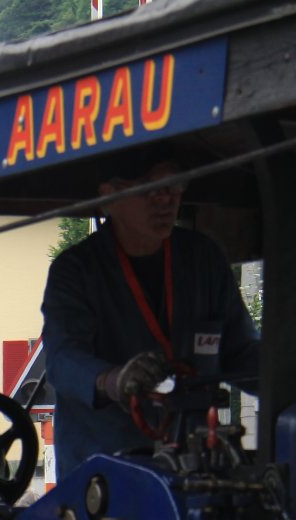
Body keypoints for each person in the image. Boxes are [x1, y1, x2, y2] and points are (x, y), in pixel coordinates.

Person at [42, 149, 259, 469]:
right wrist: (113, 380)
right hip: (105, 469)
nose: (166, 199)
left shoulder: (204, 259)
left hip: (192, 461)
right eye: (149, 187)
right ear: (109, 196)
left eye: (174, 185)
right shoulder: (76, 270)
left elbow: (242, 353)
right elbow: (62, 359)